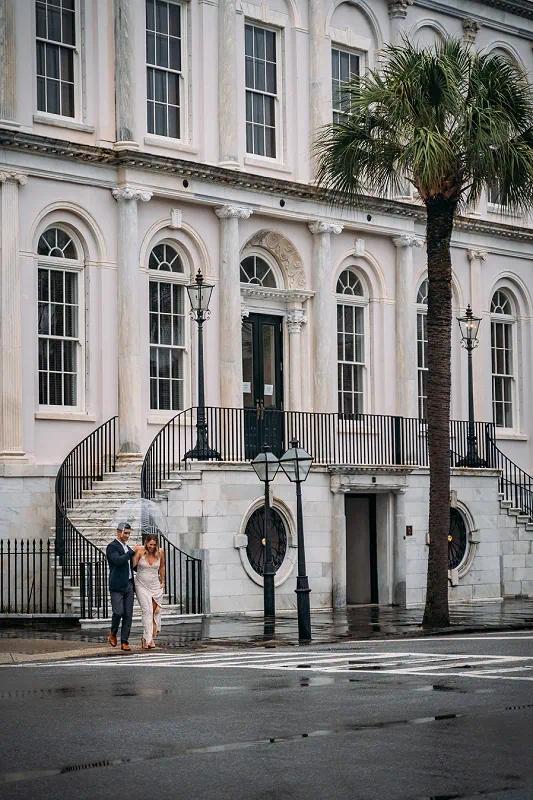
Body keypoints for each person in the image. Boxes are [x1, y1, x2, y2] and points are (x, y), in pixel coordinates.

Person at [106, 522, 136, 652]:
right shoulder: (111, 547)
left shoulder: (128, 548)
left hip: (129, 583)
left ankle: (124, 641)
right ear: (119, 532)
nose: (127, 536)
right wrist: (130, 553)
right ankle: (113, 633)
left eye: (129, 533)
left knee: (128, 614)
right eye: (125, 533)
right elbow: (118, 561)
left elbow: (132, 565)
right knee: (118, 612)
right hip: (117, 585)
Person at [133, 534, 165, 649]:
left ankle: (146, 636)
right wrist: (133, 552)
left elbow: (162, 567)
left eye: (154, 545)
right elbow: (132, 565)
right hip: (141, 584)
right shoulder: (140, 551)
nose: (152, 547)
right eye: (150, 544)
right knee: (147, 610)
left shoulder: (160, 552)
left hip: (155, 584)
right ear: (146, 543)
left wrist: (163, 581)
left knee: (155, 611)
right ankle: (148, 639)